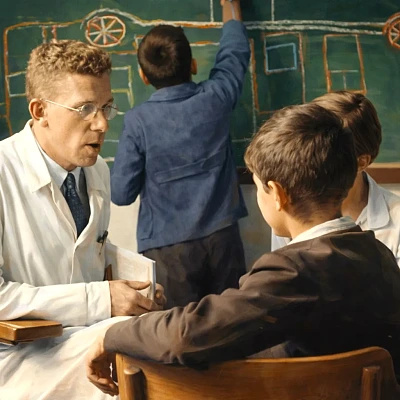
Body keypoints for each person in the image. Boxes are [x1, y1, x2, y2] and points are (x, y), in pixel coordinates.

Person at [87, 102, 400, 396]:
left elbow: (187, 335)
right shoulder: (378, 253)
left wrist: (112, 334)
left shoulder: (292, 271)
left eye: (259, 186)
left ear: (277, 194)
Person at [0, 39, 165, 400]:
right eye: (85, 108)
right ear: (40, 110)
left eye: (106, 107)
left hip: (82, 337)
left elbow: (84, 253)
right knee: (136, 365)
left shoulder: (97, 170)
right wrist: (102, 299)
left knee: (156, 343)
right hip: (18, 354)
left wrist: (133, 288)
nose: (102, 124)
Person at [110, 0, 249, 308]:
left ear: (144, 76)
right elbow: (235, 53)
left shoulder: (138, 121)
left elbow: (121, 194)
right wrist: (231, 6)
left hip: (167, 249)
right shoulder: (216, 97)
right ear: (193, 65)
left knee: (179, 329)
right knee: (232, 323)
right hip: (222, 236)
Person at [271, 91, 400, 266]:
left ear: (361, 162)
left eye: (327, 153)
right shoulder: (287, 205)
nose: (309, 160)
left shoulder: (396, 221)